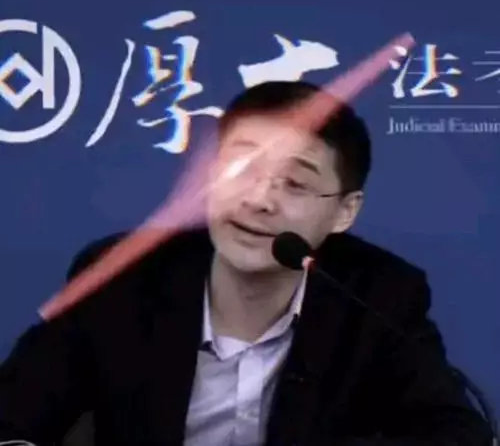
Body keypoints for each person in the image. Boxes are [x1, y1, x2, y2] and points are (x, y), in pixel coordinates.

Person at [0, 81, 492, 446]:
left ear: (345, 211)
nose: (258, 200)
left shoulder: (379, 296)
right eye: (241, 168)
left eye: (294, 183)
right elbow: (11, 414)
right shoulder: (123, 275)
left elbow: (456, 432)